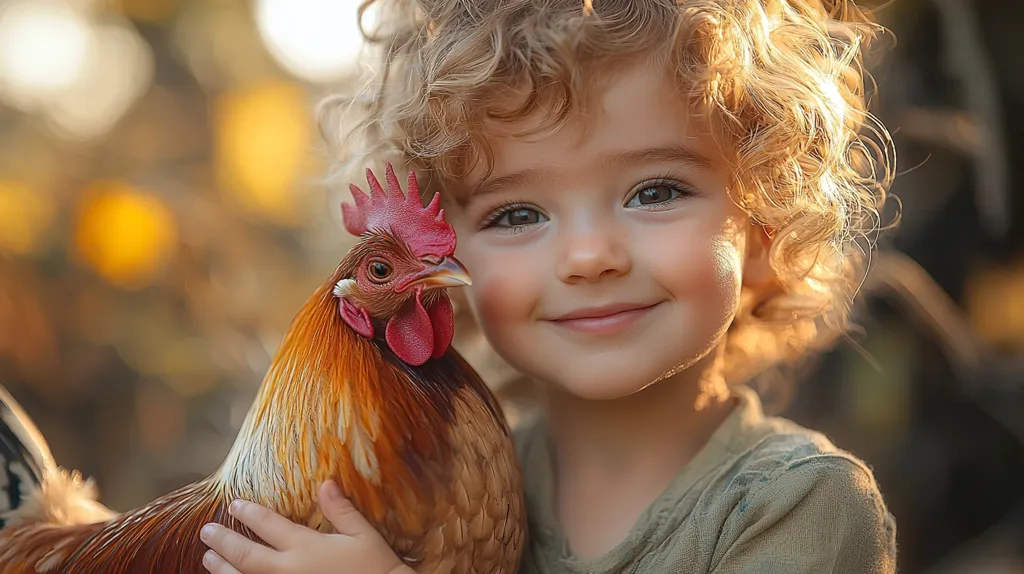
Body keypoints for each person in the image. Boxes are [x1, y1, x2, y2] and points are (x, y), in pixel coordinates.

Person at [197, 0, 899, 572]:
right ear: (447, 269)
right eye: (518, 213)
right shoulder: (441, 486)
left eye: (655, 191)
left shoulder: (800, 504)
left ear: (765, 229)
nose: (588, 256)